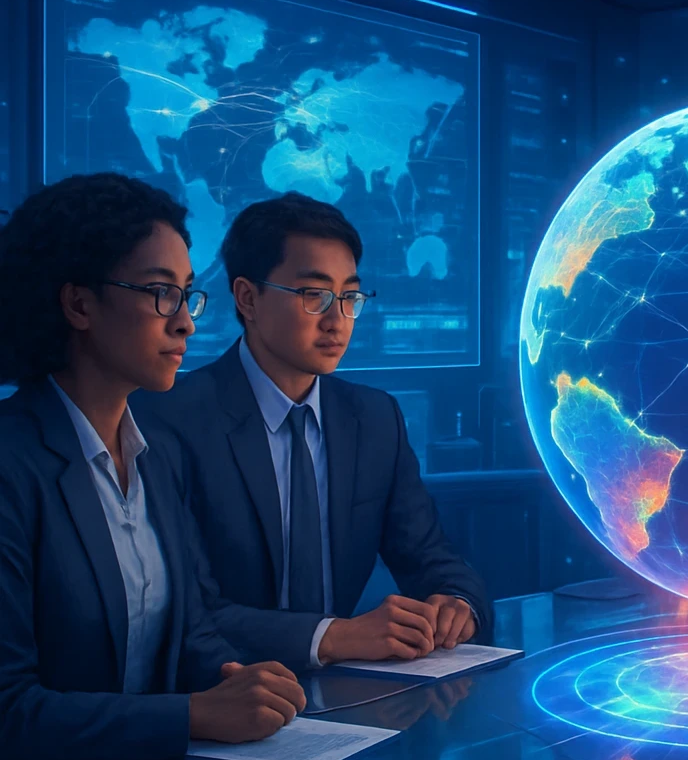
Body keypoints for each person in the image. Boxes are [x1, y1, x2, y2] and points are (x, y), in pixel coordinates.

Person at [0, 174, 306, 760]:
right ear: (79, 302)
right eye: (159, 293)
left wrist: (237, 680)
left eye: (186, 295)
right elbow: (8, 710)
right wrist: (194, 715)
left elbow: (190, 626)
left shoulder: (156, 452)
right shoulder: (11, 466)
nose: (186, 322)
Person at [133, 192, 491, 672]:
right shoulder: (170, 419)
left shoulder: (374, 418)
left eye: (349, 297)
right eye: (314, 295)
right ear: (247, 297)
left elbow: (429, 554)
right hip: (222, 694)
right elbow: (186, 610)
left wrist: (456, 601)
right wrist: (334, 636)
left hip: (350, 696)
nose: (337, 320)